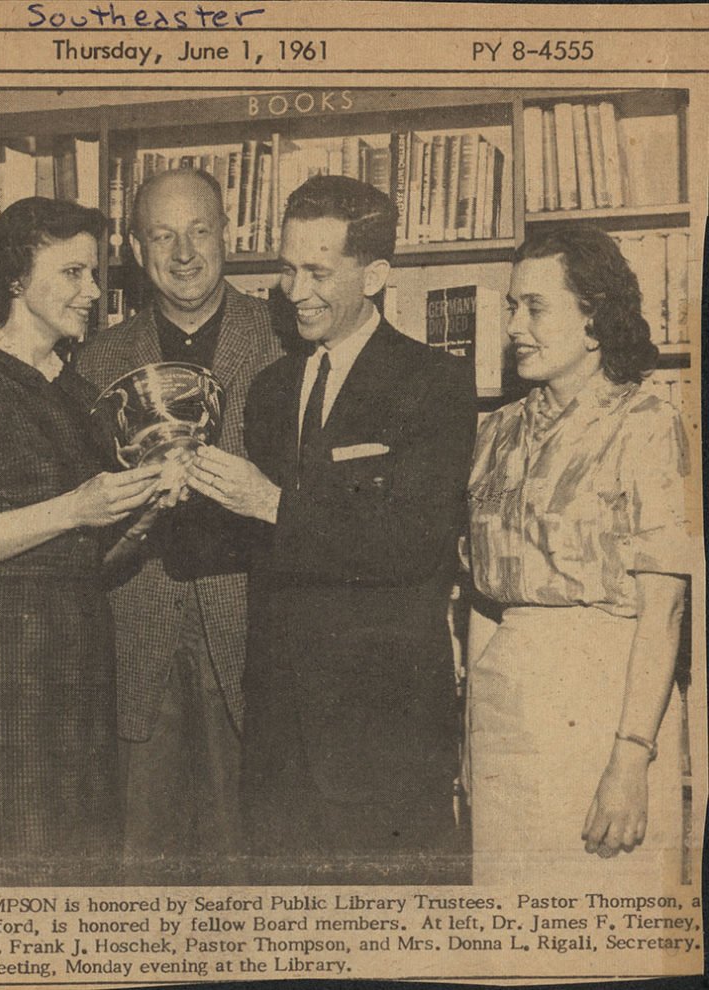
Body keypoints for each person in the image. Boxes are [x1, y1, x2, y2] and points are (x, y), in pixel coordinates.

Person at [188, 174, 476, 884]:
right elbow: (257, 547)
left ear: (374, 276)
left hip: (382, 736)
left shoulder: (433, 383)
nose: (295, 291)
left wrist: (271, 504)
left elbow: (414, 543)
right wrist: (175, 491)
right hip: (278, 739)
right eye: (287, 269)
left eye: (318, 272)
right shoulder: (271, 389)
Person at [0, 197, 161, 886]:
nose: (93, 291)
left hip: (77, 659)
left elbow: (86, 556)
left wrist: (139, 515)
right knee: (0, 863)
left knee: (77, 868)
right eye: (73, 272)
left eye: (95, 273)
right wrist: (77, 507)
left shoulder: (76, 389)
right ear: (15, 279)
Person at [466, 225, 691, 886]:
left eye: (535, 307)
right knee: (509, 919)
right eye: (513, 306)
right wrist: (472, 733)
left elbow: (665, 610)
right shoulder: (495, 433)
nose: (515, 325)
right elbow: (483, 598)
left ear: (593, 320)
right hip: (506, 706)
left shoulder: (647, 425)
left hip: (606, 703)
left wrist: (632, 757)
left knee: (604, 905)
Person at [76, 168, 283, 883]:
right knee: (141, 865)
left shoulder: (287, 336)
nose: (185, 252)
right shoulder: (96, 359)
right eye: (163, 236)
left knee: (246, 863)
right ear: (136, 249)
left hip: (253, 630)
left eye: (200, 230)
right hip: (135, 634)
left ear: (229, 234)